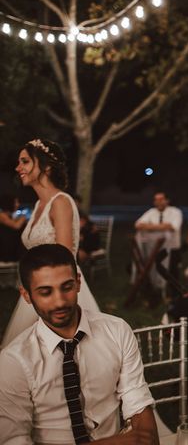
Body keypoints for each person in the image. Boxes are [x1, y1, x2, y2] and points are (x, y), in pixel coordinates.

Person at [0, 244, 158, 444]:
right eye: (45, 292)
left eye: (66, 287)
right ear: (26, 296)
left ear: (78, 283)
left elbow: (137, 400)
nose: (59, 302)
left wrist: (147, 439)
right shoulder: (14, 360)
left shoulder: (117, 330)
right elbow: (13, 439)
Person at [2, 139, 100, 349]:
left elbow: (64, 256)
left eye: (25, 161)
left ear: (46, 166)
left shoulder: (61, 202)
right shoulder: (39, 205)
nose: (18, 168)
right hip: (36, 286)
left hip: (58, 289)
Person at [134, 192, 183, 297]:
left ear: (167, 201)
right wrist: (161, 226)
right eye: (156, 200)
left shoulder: (175, 212)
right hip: (153, 247)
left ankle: (172, 294)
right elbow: (138, 225)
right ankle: (152, 289)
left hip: (172, 248)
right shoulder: (151, 212)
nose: (158, 202)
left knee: (172, 274)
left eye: (161, 199)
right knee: (149, 264)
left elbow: (173, 227)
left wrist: (150, 226)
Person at [0, 193, 26, 262]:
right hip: (5, 250)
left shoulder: (9, 216)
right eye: (16, 202)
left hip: (12, 249)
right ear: (9, 203)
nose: (18, 204)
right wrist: (23, 218)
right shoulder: (1, 215)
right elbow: (16, 226)